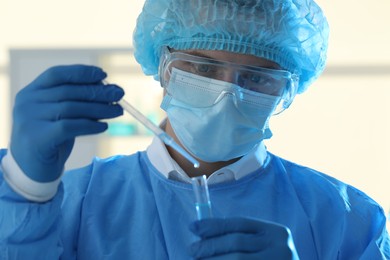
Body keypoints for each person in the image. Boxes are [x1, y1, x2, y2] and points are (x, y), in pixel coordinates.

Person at [0, 0, 389, 259]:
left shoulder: (347, 219)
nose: (227, 93)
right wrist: (25, 186)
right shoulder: (73, 204)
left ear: (287, 89)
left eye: (257, 78)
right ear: (163, 68)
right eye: (202, 68)